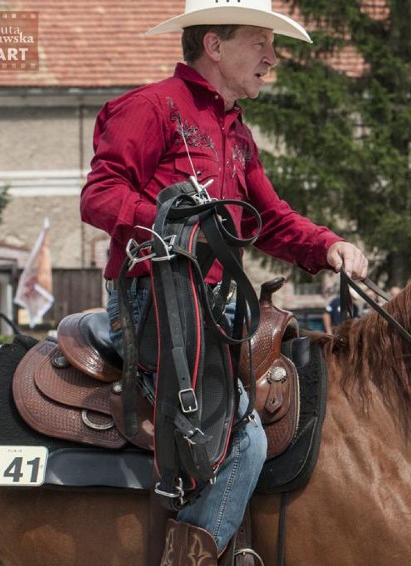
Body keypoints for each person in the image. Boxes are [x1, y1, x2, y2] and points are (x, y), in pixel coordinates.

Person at [79, 0, 369, 561]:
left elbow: (271, 219)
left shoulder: (236, 133)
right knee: (245, 436)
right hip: (151, 301)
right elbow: (99, 194)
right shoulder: (150, 107)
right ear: (214, 45)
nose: (272, 57)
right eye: (261, 42)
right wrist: (174, 228)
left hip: (211, 305)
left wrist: (326, 244)